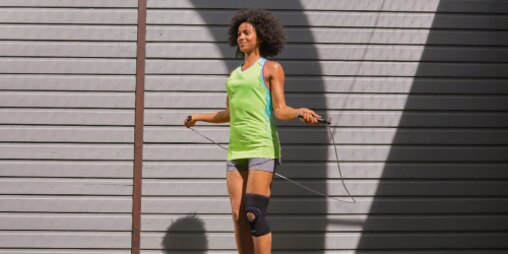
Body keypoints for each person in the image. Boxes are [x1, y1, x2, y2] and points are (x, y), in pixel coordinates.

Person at [184, 9, 321, 254]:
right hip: (237, 150)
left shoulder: (271, 68)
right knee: (238, 214)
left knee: (253, 212)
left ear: (261, 36)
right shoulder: (234, 76)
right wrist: (198, 117)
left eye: (247, 32)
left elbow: (280, 110)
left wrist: (299, 111)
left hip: (262, 147)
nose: (241, 37)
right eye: (239, 34)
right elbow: (228, 114)